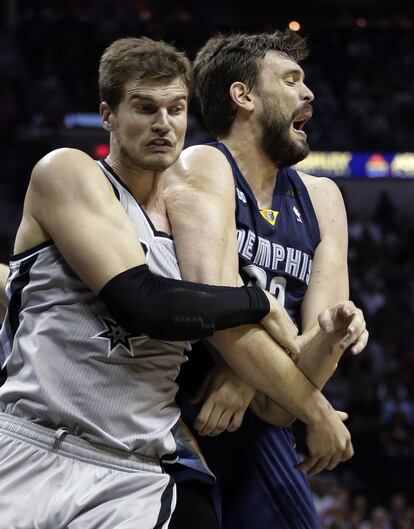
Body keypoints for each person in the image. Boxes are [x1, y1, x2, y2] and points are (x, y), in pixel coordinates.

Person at [0, 37, 298, 529]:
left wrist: (257, 377)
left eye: (176, 109)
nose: (164, 124)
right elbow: (145, 305)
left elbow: (233, 331)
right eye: (145, 109)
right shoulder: (68, 172)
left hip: (132, 477)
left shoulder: (198, 221)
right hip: (30, 444)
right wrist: (257, 302)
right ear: (107, 115)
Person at [164, 30, 368, 528]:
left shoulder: (323, 198)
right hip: (181, 408)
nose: (309, 93)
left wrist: (333, 334)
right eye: (292, 80)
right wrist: (317, 411)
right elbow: (216, 309)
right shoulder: (205, 164)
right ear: (244, 96)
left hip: (265, 413)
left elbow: (308, 358)